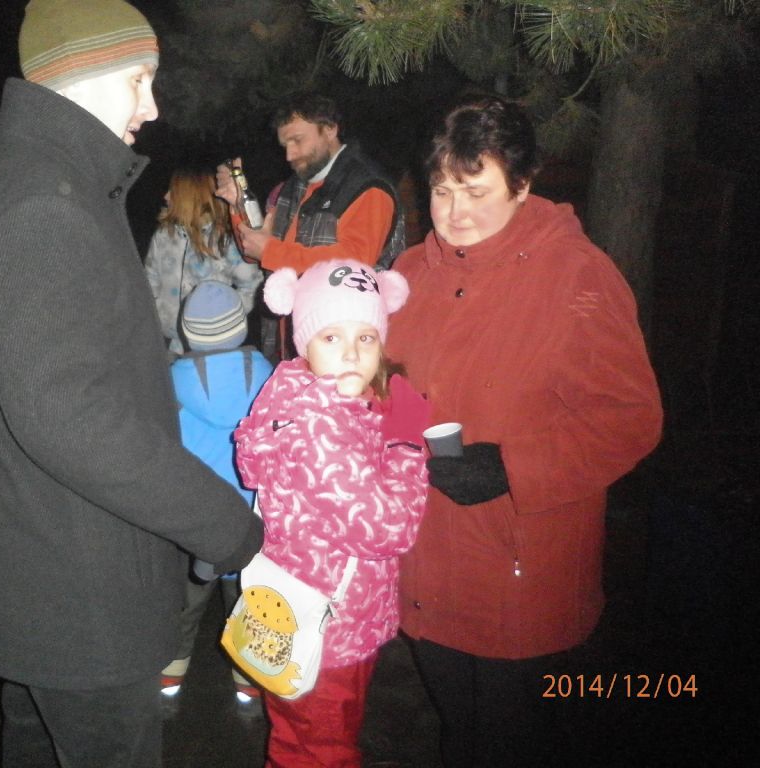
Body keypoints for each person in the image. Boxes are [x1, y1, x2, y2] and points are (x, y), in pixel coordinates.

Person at [0, 2, 263, 766]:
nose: (151, 108)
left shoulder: (43, 181)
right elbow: (69, 416)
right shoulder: (39, 205)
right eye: (138, 80)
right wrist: (224, 522)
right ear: (80, 73)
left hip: (45, 573)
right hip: (77, 588)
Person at [386, 95, 664, 767]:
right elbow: (391, 386)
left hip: (519, 569)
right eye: (442, 190)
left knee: (510, 742)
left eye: (475, 191)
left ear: (523, 183)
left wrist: (512, 467)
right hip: (427, 560)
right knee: (458, 733)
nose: (454, 212)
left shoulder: (577, 275)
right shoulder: (409, 274)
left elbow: (629, 418)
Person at [234, 259, 430, 766]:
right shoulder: (321, 428)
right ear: (305, 341)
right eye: (331, 337)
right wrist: (406, 442)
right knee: (325, 751)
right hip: (332, 631)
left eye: (366, 337)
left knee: (294, 741)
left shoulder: (294, 394)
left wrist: (376, 419)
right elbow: (389, 529)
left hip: (295, 614)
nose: (351, 353)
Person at [158, 281, 273, 712]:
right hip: (252, 518)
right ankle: (249, 685)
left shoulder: (170, 382)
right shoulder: (271, 376)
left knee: (184, 604)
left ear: (188, 333)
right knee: (250, 604)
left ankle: (169, 678)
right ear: (240, 326)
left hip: (195, 518)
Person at [215, 93, 406, 275]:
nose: (289, 155)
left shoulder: (367, 187)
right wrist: (239, 202)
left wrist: (271, 252)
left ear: (330, 130)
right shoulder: (294, 186)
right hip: (285, 298)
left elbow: (353, 267)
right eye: (285, 146)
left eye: (297, 140)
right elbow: (256, 249)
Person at [144, 168, 262, 354]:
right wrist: (157, 316)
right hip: (169, 343)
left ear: (191, 197)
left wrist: (224, 320)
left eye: (173, 191)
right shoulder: (164, 235)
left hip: (212, 346)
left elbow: (251, 286)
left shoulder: (225, 240)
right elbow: (149, 282)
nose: (166, 196)